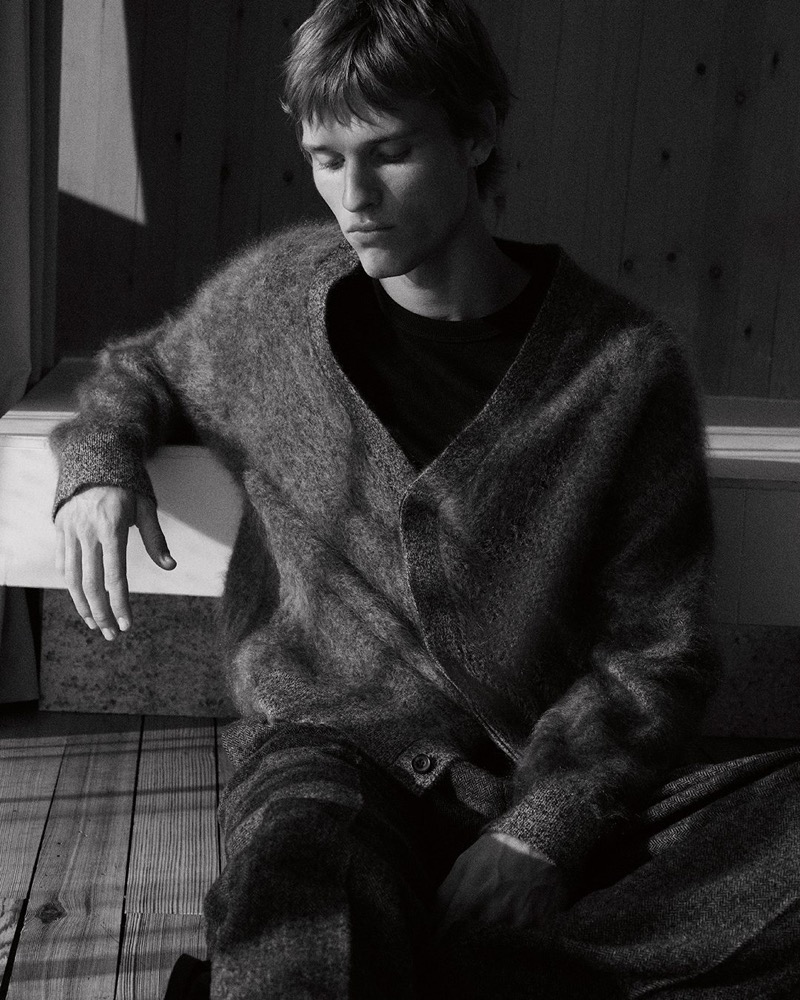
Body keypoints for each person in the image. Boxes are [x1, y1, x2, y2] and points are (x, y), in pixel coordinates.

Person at [51, 1, 800, 997]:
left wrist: (541, 833)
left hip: (544, 778)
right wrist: (97, 466)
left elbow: (651, 654)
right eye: (325, 159)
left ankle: (445, 957)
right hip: (331, 759)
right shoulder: (273, 302)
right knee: (297, 903)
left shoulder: (619, 369)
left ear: (477, 133)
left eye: (390, 153)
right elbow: (143, 370)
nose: (352, 196)